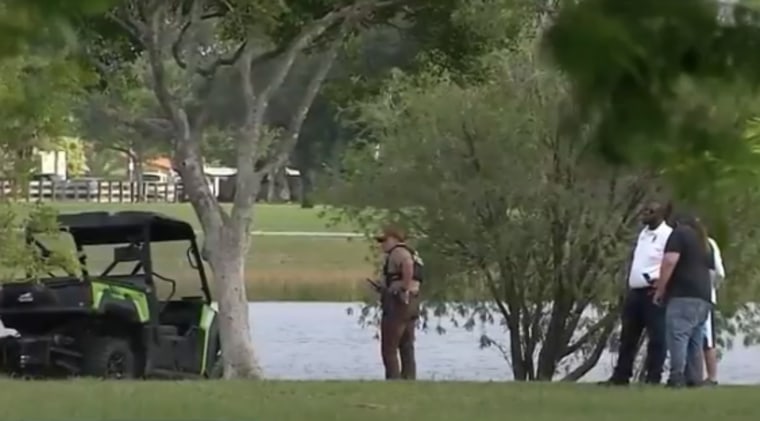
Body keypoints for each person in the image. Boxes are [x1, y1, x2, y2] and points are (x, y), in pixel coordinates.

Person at [601, 200, 672, 386]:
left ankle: (653, 377)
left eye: (650, 211)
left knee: (657, 337)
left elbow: (671, 262)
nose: (644, 213)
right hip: (635, 292)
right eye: (644, 210)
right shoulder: (643, 234)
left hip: (652, 293)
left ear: (661, 214)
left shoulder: (667, 235)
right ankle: (621, 375)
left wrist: (662, 283)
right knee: (627, 336)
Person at [653, 212, 715, 388]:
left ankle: (676, 377)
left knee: (678, 336)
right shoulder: (704, 242)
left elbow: (670, 261)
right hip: (703, 296)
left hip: (683, 294)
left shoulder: (679, 234)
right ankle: (694, 378)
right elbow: (712, 272)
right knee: (695, 339)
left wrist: (661, 289)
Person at [372, 225, 424, 380]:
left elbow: (407, 266)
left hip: (399, 303)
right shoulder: (411, 252)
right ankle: (409, 379)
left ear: (395, 239)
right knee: (406, 345)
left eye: (384, 240)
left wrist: (403, 290)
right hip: (413, 302)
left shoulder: (398, 252)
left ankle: (393, 380)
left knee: (389, 347)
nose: (382, 244)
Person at [701, 235, 726, 385]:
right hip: (706, 295)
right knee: (706, 338)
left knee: (704, 339)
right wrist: (712, 287)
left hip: (700, 296)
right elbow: (720, 273)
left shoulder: (707, 244)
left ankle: (710, 377)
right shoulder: (708, 243)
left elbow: (719, 273)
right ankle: (708, 377)